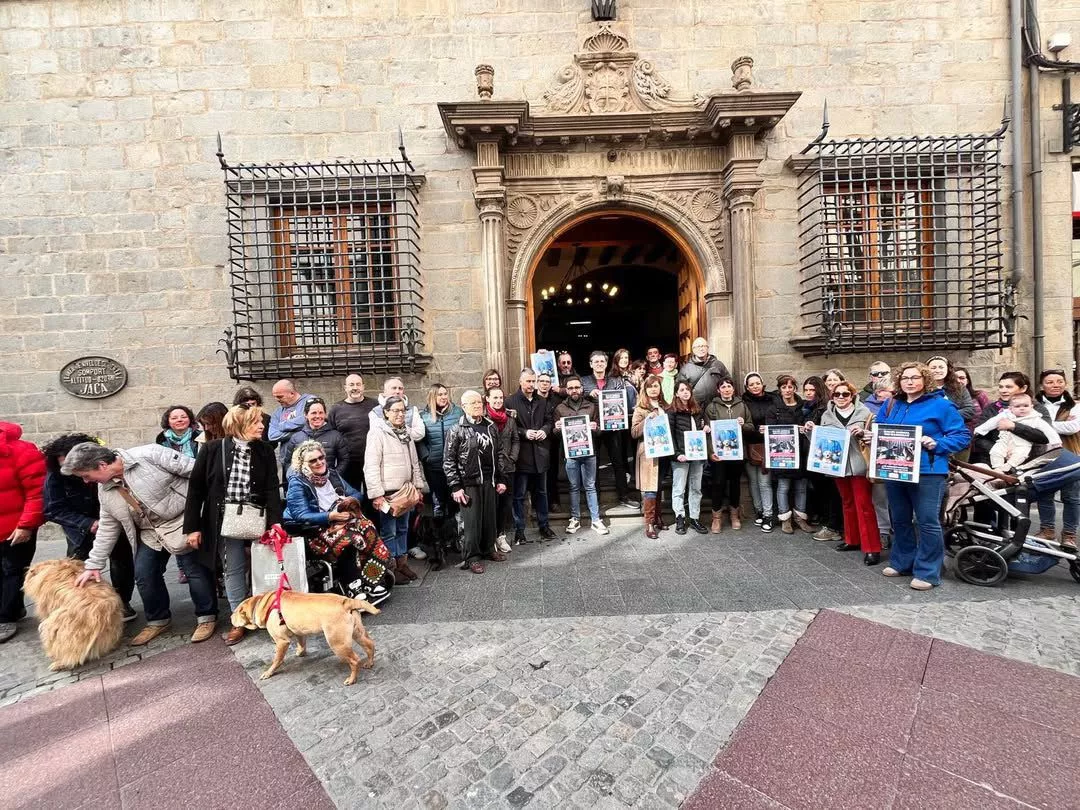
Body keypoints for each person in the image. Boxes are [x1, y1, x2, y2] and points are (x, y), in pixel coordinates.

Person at [65, 441, 218, 645]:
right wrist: (94, 564)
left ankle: (207, 617)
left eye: (86, 475)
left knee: (194, 570)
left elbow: (199, 472)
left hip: (184, 520)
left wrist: (202, 516)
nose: (86, 481)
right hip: (151, 531)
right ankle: (158, 620)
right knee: (144, 573)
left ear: (102, 465)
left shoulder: (150, 454)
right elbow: (108, 526)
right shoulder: (105, 489)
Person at [183, 405, 282, 645]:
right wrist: (192, 527)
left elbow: (272, 488)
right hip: (225, 520)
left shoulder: (265, 450)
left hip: (259, 517)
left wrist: (276, 523)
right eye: (255, 422)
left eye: (261, 421)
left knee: (264, 566)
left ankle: (268, 613)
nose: (262, 426)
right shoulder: (212, 449)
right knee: (233, 568)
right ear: (239, 425)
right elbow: (196, 490)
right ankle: (239, 620)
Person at [877, 362, 970, 590]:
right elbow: (880, 428)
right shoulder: (892, 404)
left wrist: (938, 443)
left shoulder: (941, 405)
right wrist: (872, 436)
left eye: (915, 377)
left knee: (927, 521)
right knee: (900, 519)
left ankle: (928, 572)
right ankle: (902, 562)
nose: (909, 382)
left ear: (925, 379)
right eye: (905, 378)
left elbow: (962, 435)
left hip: (928, 471)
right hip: (895, 469)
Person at [41, 433, 136, 621]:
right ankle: (83, 608)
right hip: (79, 530)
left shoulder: (103, 468)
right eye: (65, 464)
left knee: (122, 563)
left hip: (112, 523)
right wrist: (87, 523)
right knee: (78, 568)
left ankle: (122, 603)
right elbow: (53, 509)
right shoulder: (56, 477)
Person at [285, 440, 390, 603]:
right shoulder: (297, 482)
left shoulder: (332, 474)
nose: (319, 462)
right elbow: (300, 515)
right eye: (313, 460)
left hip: (340, 521)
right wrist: (330, 516)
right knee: (350, 537)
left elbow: (356, 493)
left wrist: (349, 501)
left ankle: (372, 579)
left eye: (321, 458)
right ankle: (353, 585)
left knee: (367, 526)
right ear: (303, 464)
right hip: (315, 529)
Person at [443, 391, 509, 574]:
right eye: (473, 403)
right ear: (464, 406)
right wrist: (455, 486)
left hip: (489, 479)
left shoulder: (491, 426)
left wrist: (501, 478)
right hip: (469, 482)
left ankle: (489, 549)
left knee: (490, 518)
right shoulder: (457, 429)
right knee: (471, 523)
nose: (478, 406)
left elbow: (499, 453)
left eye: (479, 402)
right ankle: (472, 557)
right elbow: (448, 460)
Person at [363, 396, 429, 581]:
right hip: (388, 494)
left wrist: (418, 486)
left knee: (403, 529)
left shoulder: (406, 432)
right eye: (395, 410)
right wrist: (376, 495)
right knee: (389, 531)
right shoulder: (377, 433)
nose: (400, 414)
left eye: (403, 410)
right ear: (386, 412)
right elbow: (371, 466)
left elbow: (414, 462)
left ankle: (402, 564)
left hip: (405, 492)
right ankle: (390, 569)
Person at [819, 381, 882, 566]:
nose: (841, 397)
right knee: (847, 502)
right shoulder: (826, 415)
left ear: (853, 395)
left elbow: (875, 438)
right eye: (837, 394)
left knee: (864, 505)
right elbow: (821, 442)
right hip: (837, 465)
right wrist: (809, 431)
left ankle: (872, 547)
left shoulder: (865, 413)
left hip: (859, 464)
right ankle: (852, 539)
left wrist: (862, 433)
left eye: (845, 394)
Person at [0, 422, 45, 643]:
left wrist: (26, 525)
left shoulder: (22, 450)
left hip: (15, 528)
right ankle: (14, 608)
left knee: (13, 570)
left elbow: (37, 491)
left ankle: (4, 618)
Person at [506, 368, 557, 544]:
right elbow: (509, 427)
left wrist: (544, 430)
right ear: (520, 381)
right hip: (522, 456)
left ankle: (544, 526)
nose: (531, 384)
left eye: (533, 381)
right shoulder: (510, 401)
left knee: (541, 493)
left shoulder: (542, 401)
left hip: (541, 454)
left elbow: (549, 421)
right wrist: (525, 433)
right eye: (528, 381)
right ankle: (519, 531)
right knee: (519, 495)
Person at [553, 376, 608, 536]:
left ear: (582, 388)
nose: (574, 390)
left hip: (589, 452)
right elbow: (555, 433)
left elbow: (600, 430)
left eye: (577, 387)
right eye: (570, 388)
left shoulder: (591, 406)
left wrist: (595, 427)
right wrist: (557, 428)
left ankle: (595, 519)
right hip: (571, 454)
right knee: (573, 487)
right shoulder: (560, 408)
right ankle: (575, 518)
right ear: (566, 390)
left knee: (590, 486)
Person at [582, 350, 636, 509]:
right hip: (593, 427)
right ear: (591, 364)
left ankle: (624, 496)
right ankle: (595, 500)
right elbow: (575, 396)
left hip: (613, 427)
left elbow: (623, 400)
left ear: (606, 364)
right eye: (596, 361)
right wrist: (588, 394)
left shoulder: (615, 380)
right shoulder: (584, 381)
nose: (599, 364)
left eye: (602, 361)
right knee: (594, 464)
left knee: (618, 462)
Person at [1035, 369, 1080, 550]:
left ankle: (1069, 534)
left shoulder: (1075, 405)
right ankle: (1047, 530)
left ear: (1065, 383)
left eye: (1059, 381)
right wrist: (1060, 424)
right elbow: (1027, 424)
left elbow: (1074, 427)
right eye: (1050, 382)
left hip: (1071, 455)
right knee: (1044, 494)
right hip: (1044, 456)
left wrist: (1042, 424)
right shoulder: (1034, 404)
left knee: (1072, 497)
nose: (1055, 385)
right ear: (1042, 385)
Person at [970, 372, 1052, 465]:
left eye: (1009, 387)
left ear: (1023, 388)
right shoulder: (991, 408)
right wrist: (1000, 451)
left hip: (1030, 461)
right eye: (1001, 387)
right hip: (995, 461)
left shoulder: (1037, 409)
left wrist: (1014, 426)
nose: (1003, 390)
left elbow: (1045, 437)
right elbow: (978, 436)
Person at [704, 377, 752, 532]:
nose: (726, 389)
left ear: (733, 389)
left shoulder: (741, 405)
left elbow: (751, 426)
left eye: (729, 386)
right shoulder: (712, 407)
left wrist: (743, 424)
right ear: (718, 390)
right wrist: (711, 452)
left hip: (736, 453)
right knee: (718, 484)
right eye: (723, 387)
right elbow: (708, 432)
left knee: (735, 484)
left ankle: (734, 515)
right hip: (719, 454)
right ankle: (716, 518)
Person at [418, 383, 465, 531]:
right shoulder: (423, 416)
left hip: (454, 466)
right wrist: (426, 456)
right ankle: (439, 536)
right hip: (434, 466)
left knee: (454, 501)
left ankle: (454, 535)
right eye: (440, 394)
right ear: (432, 396)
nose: (444, 397)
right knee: (438, 501)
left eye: (445, 394)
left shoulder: (457, 412)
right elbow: (419, 440)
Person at [976, 392, 1060, 470]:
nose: (1022, 408)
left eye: (1025, 406)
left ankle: (1008, 466)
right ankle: (997, 468)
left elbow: (1048, 430)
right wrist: (980, 430)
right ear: (1010, 408)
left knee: (1020, 455)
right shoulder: (1005, 414)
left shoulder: (1035, 418)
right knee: (995, 452)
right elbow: (992, 422)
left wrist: (1056, 442)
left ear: (1031, 407)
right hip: (1004, 440)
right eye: (1017, 406)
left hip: (1022, 443)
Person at [768, 375, 808, 535]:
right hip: (782, 454)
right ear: (779, 389)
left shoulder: (803, 407)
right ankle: (785, 518)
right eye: (784, 387)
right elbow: (771, 430)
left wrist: (805, 429)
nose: (787, 390)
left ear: (795, 388)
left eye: (790, 387)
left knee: (801, 487)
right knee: (783, 486)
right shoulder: (774, 409)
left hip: (801, 452)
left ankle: (800, 517)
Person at [631, 375, 670, 538]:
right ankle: (649, 523)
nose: (653, 389)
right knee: (650, 489)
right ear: (645, 389)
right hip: (648, 454)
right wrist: (647, 420)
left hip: (664, 452)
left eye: (656, 386)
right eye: (650, 386)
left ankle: (658, 517)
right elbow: (634, 433)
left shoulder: (666, 407)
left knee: (659, 486)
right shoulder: (640, 409)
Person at [669, 380, 708, 535]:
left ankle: (694, 518)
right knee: (679, 488)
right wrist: (677, 454)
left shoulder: (697, 410)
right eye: (682, 390)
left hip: (697, 455)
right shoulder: (672, 411)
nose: (685, 392)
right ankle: (679, 517)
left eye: (687, 389)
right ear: (676, 393)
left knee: (696, 488)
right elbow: (670, 435)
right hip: (681, 456)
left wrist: (706, 427)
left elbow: (704, 424)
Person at [328, 373, 379, 491]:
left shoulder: (375, 406)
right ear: (345, 387)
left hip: (373, 461)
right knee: (352, 497)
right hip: (348, 463)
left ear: (363, 387)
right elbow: (331, 436)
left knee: (373, 497)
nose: (355, 388)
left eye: (358, 384)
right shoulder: (336, 409)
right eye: (351, 385)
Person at [484, 386, 520, 551]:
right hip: (490, 468)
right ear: (487, 399)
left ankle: (501, 535)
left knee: (505, 503)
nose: (498, 401)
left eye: (500, 398)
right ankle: (489, 537)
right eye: (495, 398)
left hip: (507, 467)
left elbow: (516, 440)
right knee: (490, 504)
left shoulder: (510, 419)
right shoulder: (483, 419)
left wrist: (512, 458)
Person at [279, 397, 349, 473]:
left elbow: (344, 460)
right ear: (306, 415)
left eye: (321, 413)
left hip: (328, 479)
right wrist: (295, 477)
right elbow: (288, 462)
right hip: (303, 479)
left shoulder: (336, 436)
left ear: (325, 414)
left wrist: (333, 476)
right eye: (314, 413)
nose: (318, 416)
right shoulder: (296, 438)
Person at [742, 373, 775, 526]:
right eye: (751, 384)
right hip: (750, 444)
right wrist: (755, 430)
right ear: (747, 387)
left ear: (762, 384)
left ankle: (768, 514)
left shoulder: (773, 399)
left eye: (757, 383)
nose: (755, 386)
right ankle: (759, 510)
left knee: (764, 482)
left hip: (768, 445)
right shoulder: (743, 402)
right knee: (754, 481)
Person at [268, 379, 317, 463]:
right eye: (275, 396)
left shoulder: (310, 401)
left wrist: (282, 426)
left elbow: (306, 419)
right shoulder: (278, 412)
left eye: (280, 396)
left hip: (310, 458)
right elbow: (272, 436)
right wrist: (300, 431)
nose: (277, 399)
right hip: (288, 460)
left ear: (292, 393)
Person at [536, 371, 564, 513]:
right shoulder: (532, 399)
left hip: (552, 441)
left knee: (552, 472)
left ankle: (553, 501)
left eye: (547, 381)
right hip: (536, 441)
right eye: (542, 381)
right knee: (537, 474)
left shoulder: (556, 400)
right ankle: (539, 503)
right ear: (537, 383)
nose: (544, 384)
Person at [679, 337, 730, 408]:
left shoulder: (718, 364)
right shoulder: (685, 369)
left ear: (707, 348)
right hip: (695, 407)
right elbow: (680, 389)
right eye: (698, 347)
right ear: (693, 349)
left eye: (703, 346)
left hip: (717, 405)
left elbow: (728, 382)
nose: (701, 349)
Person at [926, 356, 976, 423]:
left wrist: (945, 415)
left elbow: (969, 410)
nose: (937, 371)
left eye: (941, 367)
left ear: (948, 369)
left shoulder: (959, 388)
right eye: (933, 368)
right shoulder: (923, 389)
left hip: (955, 425)